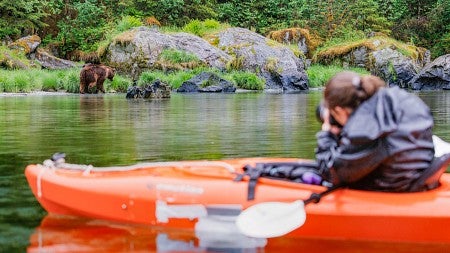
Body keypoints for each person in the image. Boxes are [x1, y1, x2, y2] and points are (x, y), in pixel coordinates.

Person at [315, 71, 435, 192]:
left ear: (339, 110)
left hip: (394, 188)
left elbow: (332, 174)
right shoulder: (397, 98)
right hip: (416, 175)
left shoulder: (364, 129)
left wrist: (327, 133)